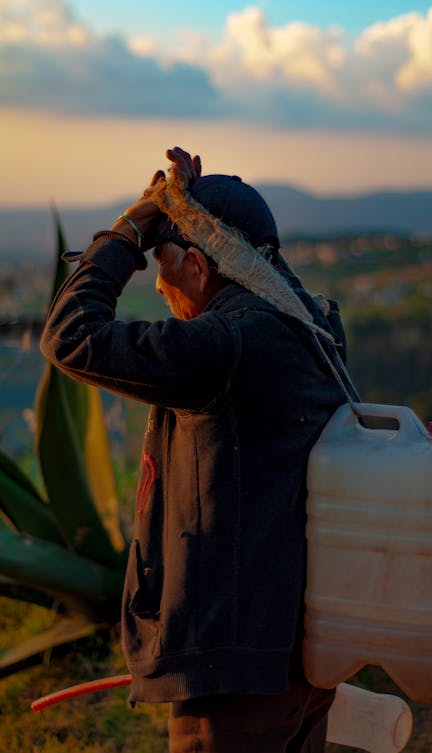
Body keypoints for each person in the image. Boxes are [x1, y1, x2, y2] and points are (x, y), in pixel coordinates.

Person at [40, 147, 354, 753]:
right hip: (296, 656)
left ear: (200, 266)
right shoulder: (310, 324)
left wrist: (129, 231)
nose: (157, 284)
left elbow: (70, 335)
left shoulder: (228, 345)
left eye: (162, 264)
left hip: (233, 682)